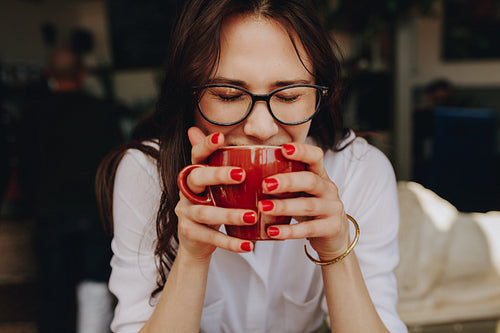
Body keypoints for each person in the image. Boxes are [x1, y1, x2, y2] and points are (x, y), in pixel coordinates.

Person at [96, 0, 407, 332]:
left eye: (289, 96)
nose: (262, 128)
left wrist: (336, 250)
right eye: (229, 95)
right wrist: (192, 258)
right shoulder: (147, 173)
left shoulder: (360, 170)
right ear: (189, 96)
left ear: (320, 95)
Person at [18, 46, 123, 333]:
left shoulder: (33, 114)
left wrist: (29, 203)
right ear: (82, 74)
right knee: (94, 289)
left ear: (48, 74)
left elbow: (25, 167)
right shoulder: (102, 111)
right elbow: (116, 166)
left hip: (49, 213)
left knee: (54, 293)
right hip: (93, 213)